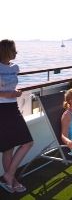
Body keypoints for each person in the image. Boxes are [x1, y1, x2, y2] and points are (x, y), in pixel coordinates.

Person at [0, 39, 33, 193]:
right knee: (10, 147)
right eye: (13, 49)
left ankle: (9, 177)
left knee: (24, 143)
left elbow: (11, 85)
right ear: (5, 51)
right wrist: (8, 93)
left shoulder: (15, 68)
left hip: (12, 107)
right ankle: (11, 179)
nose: (16, 52)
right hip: (1, 109)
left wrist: (15, 92)